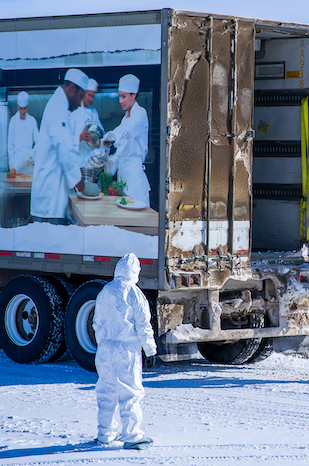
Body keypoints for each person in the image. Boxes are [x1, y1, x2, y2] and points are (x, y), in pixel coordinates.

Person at [93, 252, 157, 450]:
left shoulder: (105, 290)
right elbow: (143, 325)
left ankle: (105, 433)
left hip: (105, 349)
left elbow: (98, 322)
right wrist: (150, 350)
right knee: (130, 392)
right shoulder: (134, 293)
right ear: (135, 272)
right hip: (126, 349)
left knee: (106, 391)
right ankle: (132, 435)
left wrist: (103, 345)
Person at [30, 68, 100, 225]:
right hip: (49, 197)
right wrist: (83, 187)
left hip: (52, 194)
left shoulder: (60, 105)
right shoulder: (58, 108)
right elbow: (65, 150)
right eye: (81, 97)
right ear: (72, 89)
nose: (79, 103)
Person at [104, 74, 150, 205]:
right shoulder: (125, 118)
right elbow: (120, 154)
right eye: (119, 96)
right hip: (122, 181)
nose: (120, 100)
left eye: (124, 96)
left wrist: (105, 142)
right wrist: (107, 160)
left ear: (134, 95)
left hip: (135, 182)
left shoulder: (140, 114)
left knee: (137, 220)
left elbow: (125, 131)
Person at [72, 78, 104, 164]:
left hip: (90, 162)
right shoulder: (73, 110)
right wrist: (80, 137)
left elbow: (101, 132)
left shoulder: (93, 112)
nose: (91, 99)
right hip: (75, 161)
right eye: (89, 95)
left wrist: (100, 133)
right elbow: (64, 139)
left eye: (93, 96)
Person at [7, 91, 39, 174]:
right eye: (21, 108)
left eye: (25, 108)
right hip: (16, 164)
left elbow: (38, 142)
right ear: (17, 106)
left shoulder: (32, 121)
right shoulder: (13, 121)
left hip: (29, 164)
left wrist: (30, 155)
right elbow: (10, 146)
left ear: (28, 107)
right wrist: (12, 167)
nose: (23, 111)